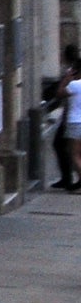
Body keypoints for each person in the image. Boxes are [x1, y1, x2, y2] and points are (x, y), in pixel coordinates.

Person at [57, 47, 81, 193]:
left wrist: (65, 80)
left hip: (75, 122)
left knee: (74, 154)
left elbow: (59, 93)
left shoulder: (74, 85)